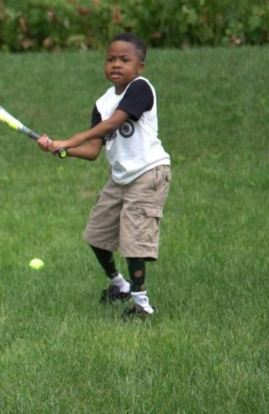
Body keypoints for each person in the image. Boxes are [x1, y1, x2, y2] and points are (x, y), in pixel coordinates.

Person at [37, 33, 171, 319]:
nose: (116, 65)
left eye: (125, 60)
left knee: (133, 239)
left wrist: (68, 140)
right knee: (96, 235)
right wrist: (60, 150)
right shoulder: (101, 103)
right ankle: (119, 285)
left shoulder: (141, 88)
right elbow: (93, 151)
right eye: (111, 59)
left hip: (148, 173)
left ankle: (142, 304)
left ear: (140, 67)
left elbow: (114, 123)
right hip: (120, 177)